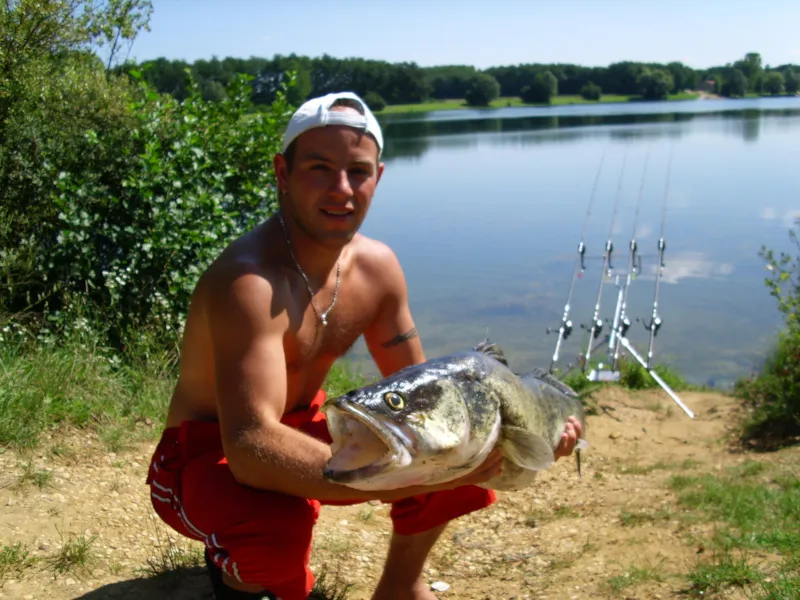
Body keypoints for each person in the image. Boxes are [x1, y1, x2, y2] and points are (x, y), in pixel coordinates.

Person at [145, 91, 583, 600]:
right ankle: (239, 578)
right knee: (272, 533)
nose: (342, 189)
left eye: (358, 171)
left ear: (379, 176)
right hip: (205, 455)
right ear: (282, 173)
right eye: (319, 168)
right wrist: (418, 481)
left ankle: (400, 586)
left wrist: (517, 445)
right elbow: (250, 448)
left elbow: (431, 401)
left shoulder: (377, 270)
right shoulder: (249, 282)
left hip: (300, 430)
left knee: (454, 446)